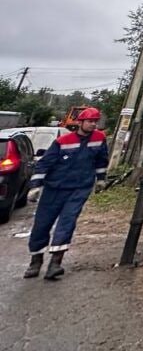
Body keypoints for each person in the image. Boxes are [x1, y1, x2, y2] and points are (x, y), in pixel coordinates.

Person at [23, 106, 108, 280]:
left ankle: (55, 264)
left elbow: (101, 160)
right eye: (90, 121)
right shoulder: (63, 141)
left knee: (67, 223)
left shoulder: (99, 139)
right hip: (54, 189)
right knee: (42, 224)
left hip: (79, 188)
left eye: (95, 122)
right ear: (80, 122)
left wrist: (101, 179)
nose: (93, 125)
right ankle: (36, 261)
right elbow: (45, 163)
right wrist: (35, 186)